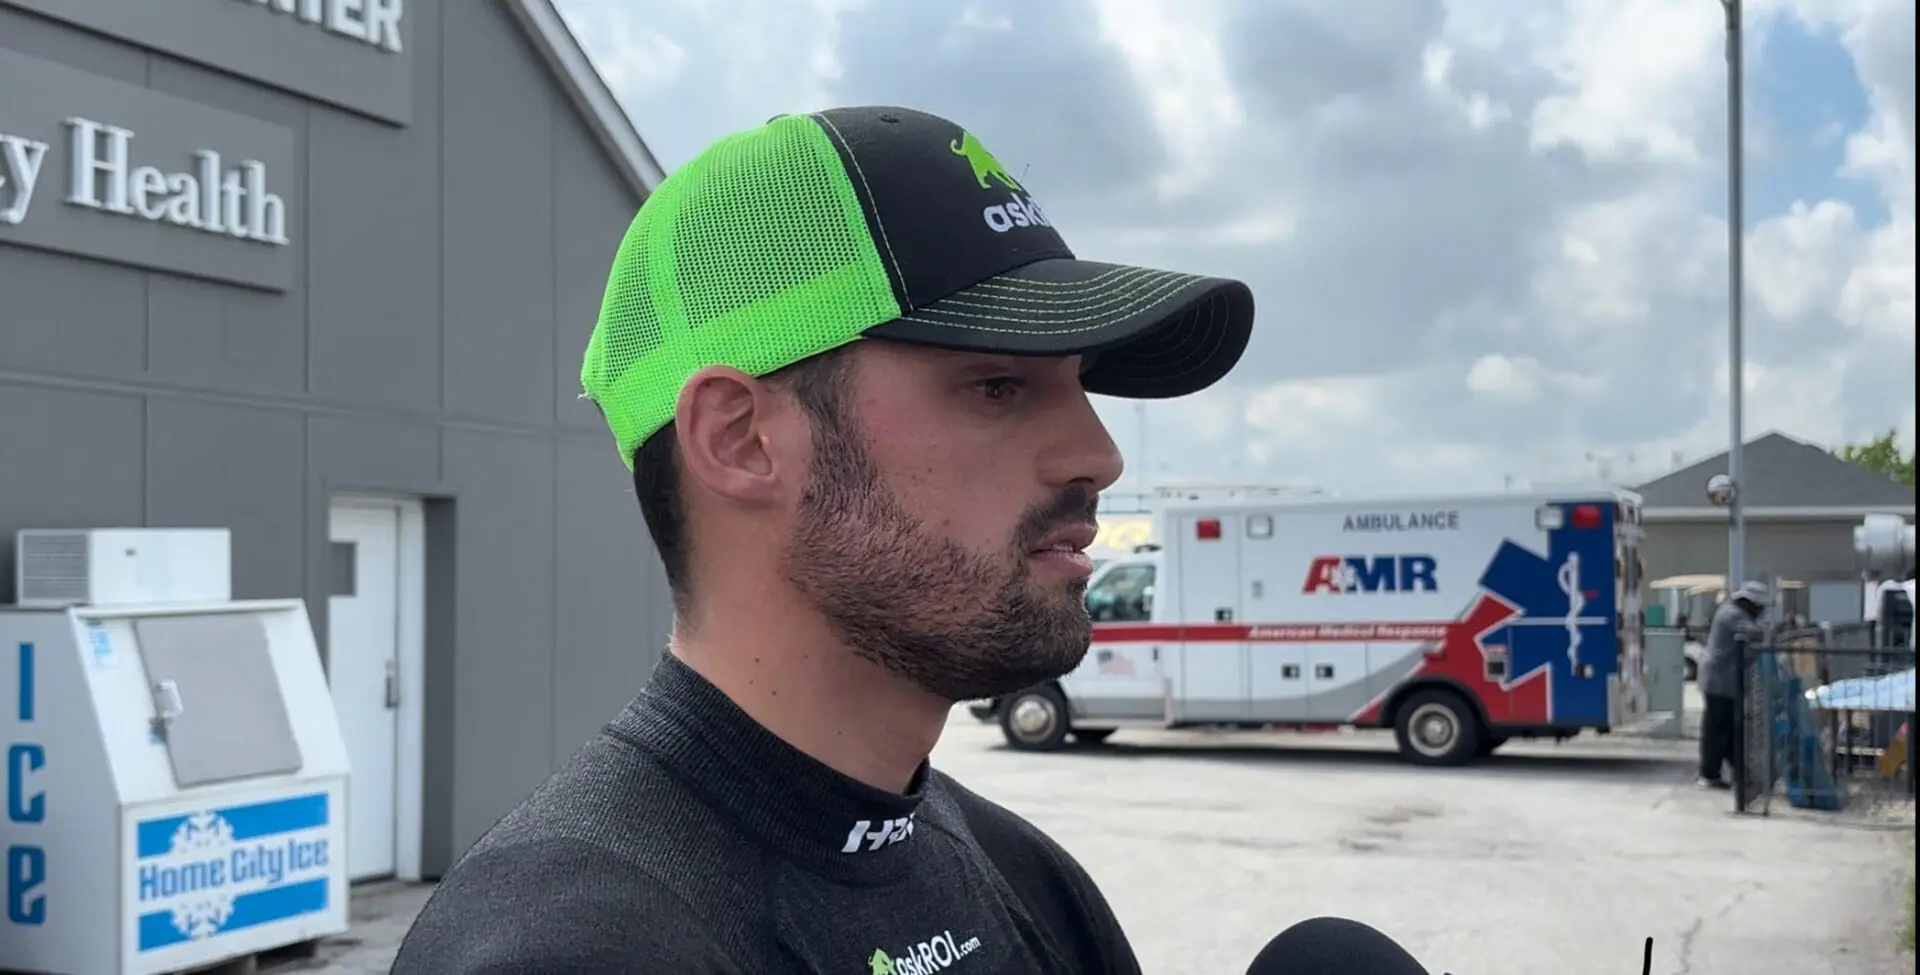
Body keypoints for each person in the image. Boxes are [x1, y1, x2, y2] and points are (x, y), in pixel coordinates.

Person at [390, 106, 1255, 973]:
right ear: (739, 439)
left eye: (1081, 384)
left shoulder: (1028, 881)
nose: (1098, 456)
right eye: (997, 386)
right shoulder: (570, 949)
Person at [1696, 581, 1771, 790]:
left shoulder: (1733, 613)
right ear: (1747, 603)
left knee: (1728, 729)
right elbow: (1756, 633)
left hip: (1725, 681)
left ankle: (1739, 773)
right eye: (1759, 607)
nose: (1760, 612)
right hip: (1719, 681)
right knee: (1718, 729)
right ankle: (1710, 774)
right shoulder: (1732, 615)